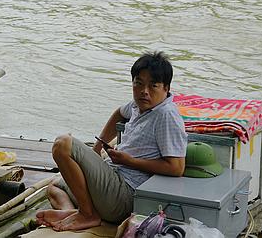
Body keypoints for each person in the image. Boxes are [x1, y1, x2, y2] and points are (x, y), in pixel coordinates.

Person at [36, 51, 187, 231]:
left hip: (125, 195)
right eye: (138, 83)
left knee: (63, 144)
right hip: (111, 180)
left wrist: (129, 161)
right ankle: (72, 213)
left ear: (166, 88)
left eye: (153, 86)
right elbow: (120, 113)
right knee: (54, 187)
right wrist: (98, 146)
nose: (144, 91)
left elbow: (176, 168)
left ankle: (87, 214)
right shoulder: (138, 104)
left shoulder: (166, 115)